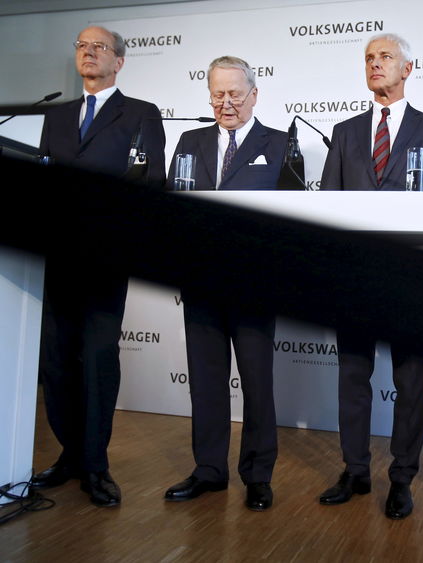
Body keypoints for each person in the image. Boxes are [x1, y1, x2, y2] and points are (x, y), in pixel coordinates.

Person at [318, 33, 423, 520]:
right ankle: (355, 471)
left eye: (385, 58)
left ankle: (402, 478)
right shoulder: (345, 130)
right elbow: (327, 206)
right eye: (369, 59)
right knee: (353, 379)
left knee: (411, 382)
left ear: (408, 69)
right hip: (354, 278)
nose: (376, 65)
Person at [32, 25, 166, 507]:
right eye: (81, 47)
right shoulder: (58, 114)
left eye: (99, 48)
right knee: (57, 363)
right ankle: (68, 455)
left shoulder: (141, 114)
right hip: (57, 258)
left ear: (120, 61)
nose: (88, 53)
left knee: (98, 360)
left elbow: (151, 183)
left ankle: (95, 464)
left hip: (106, 257)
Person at [163, 56, 289, 511]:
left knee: (257, 383)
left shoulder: (278, 144)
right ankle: (209, 471)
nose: (226, 102)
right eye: (218, 93)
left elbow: (291, 220)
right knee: (206, 382)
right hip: (200, 283)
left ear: (255, 95)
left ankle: (257, 475)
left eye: (235, 93)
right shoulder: (189, 140)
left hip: (254, 285)